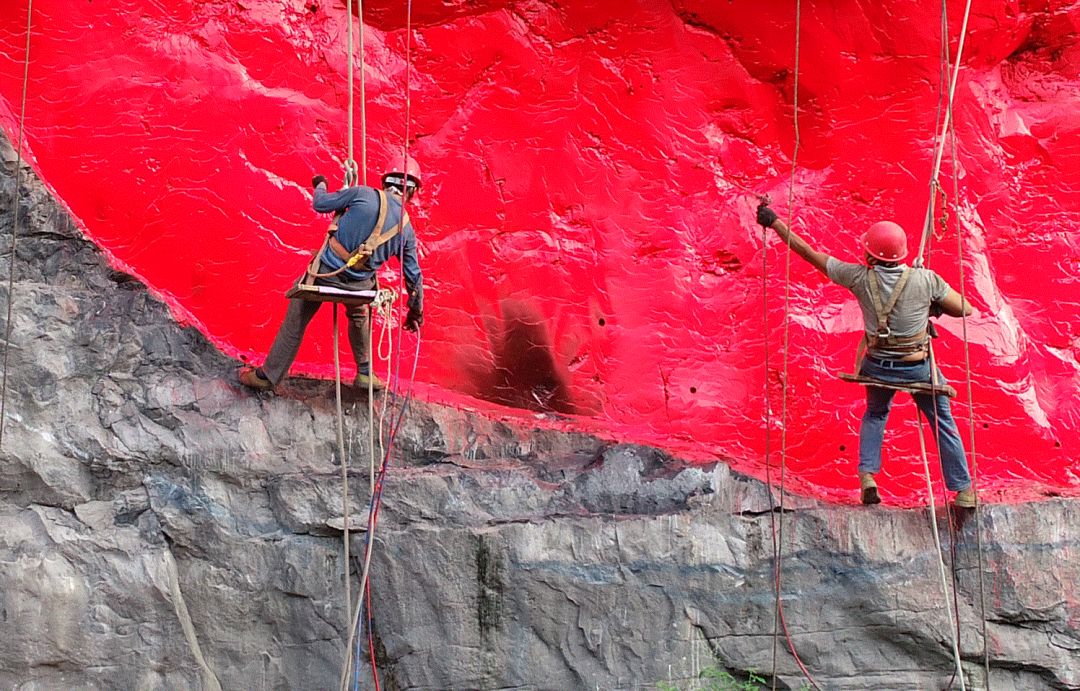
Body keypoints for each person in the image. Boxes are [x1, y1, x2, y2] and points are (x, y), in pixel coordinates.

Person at [755, 201, 976, 508]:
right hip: (917, 366)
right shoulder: (926, 280)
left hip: (879, 366)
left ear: (871, 254)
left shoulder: (858, 277)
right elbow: (964, 308)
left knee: (876, 414)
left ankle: (868, 478)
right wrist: (931, 304)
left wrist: (775, 222)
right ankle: (963, 491)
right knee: (943, 421)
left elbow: (809, 253)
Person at [239, 156, 424, 392]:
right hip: (358, 288)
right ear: (411, 191)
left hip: (326, 275)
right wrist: (415, 313)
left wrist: (321, 184)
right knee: (359, 313)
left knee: (298, 312)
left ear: (386, 181)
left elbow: (321, 204)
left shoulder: (363, 194)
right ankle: (365, 373)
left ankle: (268, 376)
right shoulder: (406, 229)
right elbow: (414, 278)